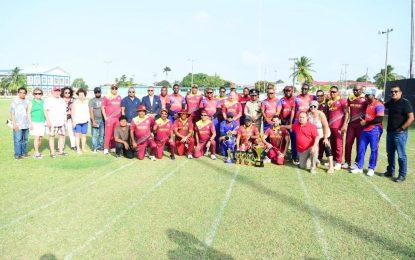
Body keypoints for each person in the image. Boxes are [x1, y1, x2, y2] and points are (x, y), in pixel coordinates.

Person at [351, 89, 385, 176]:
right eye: (365, 95)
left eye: (368, 95)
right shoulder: (367, 103)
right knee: (361, 148)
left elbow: (379, 119)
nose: (366, 97)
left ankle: (371, 168)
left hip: (375, 129)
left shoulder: (379, 105)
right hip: (365, 129)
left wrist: (366, 122)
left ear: (373, 95)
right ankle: (359, 167)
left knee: (374, 149)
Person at [384, 85, 414, 182]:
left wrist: (402, 128)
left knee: (401, 155)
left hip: (400, 133)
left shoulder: (405, 103)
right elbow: (382, 105)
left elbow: (411, 118)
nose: (394, 93)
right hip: (390, 132)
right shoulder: (391, 102)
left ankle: (402, 175)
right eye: (392, 91)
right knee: (390, 153)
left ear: (400, 92)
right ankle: (390, 171)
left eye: (396, 91)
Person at [308, 101, 334, 174]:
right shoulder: (308, 114)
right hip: (314, 135)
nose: (313, 108)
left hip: (323, 132)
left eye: (314, 106)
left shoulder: (321, 114)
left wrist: (325, 138)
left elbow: (325, 126)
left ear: (317, 107)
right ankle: (315, 161)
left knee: (327, 147)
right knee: (313, 148)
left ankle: (331, 166)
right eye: (311, 106)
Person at [344, 85, 366, 169]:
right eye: (354, 90)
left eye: (357, 90)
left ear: (361, 90)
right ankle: (347, 162)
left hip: (361, 126)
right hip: (351, 124)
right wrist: (346, 122)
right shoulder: (350, 98)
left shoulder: (365, 99)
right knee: (348, 143)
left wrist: (366, 121)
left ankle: (357, 163)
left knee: (359, 145)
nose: (355, 91)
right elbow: (346, 111)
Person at [327, 85, 349, 170]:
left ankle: (339, 162)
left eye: (334, 92)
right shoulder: (329, 102)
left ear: (338, 92)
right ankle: (334, 161)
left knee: (338, 145)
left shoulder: (342, 100)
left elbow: (347, 113)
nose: (332, 93)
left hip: (339, 127)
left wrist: (344, 125)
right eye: (331, 92)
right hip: (330, 127)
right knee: (332, 144)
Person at [44, 86, 67, 158]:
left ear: (60, 92)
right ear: (52, 91)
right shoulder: (48, 100)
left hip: (61, 122)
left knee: (62, 136)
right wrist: (48, 121)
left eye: (58, 91)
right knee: (52, 136)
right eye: (55, 91)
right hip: (52, 122)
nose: (57, 92)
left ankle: (61, 151)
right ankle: (52, 152)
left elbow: (64, 111)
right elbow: (45, 111)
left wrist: (65, 120)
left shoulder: (62, 100)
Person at [10, 87, 30, 159]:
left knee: (25, 140)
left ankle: (24, 153)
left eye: (24, 93)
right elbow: (12, 113)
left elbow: (28, 112)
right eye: (20, 92)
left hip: (26, 124)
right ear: (18, 93)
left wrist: (29, 122)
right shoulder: (15, 101)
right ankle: (17, 155)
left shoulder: (27, 101)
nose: (22, 94)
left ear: (25, 94)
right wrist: (14, 124)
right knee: (18, 140)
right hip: (18, 124)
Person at [102, 84, 122, 154]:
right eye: (113, 88)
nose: (114, 90)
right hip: (110, 119)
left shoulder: (119, 97)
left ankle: (113, 147)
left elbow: (121, 108)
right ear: (110, 89)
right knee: (108, 134)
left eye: (115, 88)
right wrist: (105, 118)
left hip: (117, 119)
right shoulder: (106, 97)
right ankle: (106, 148)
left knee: (115, 134)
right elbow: (103, 108)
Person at [28, 88, 45, 159]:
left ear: (41, 94)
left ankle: (36, 152)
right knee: (37, 137)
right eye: (36, 94)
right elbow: (28, 113)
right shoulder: (31, 102)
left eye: (39, 93)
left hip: (42, 122)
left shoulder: (43, 101)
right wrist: (30, 123)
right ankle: (37, 153)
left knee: (40, 138)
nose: (38, 95)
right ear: (34, 95)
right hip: (34, 122)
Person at [71, 88, 90, 154]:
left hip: (85, 121)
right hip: (77, 122)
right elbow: (72, 113)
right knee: (77, 136)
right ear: (78, 95)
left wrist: (88, 120)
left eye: (82, 95)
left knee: (84, 135)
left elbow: (88, 111)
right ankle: (78, 149)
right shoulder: (75, 102)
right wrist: (73, 122)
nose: (81, 96)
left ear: (84, 95)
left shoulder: (87, 102)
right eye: (80, 95)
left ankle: (83, 148)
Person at [89, 87, 104, 152]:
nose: (97, 93)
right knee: (95, 135)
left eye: (98, 92)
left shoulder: (103, 99)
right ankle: (95, 147)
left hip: (102, 120)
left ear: (100, 92)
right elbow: (91, 111)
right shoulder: (92, 100)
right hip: (96, 119)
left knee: (101, 134)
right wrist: (93, 121)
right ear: (94, 93)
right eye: (96, 92)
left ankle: (100, 146)